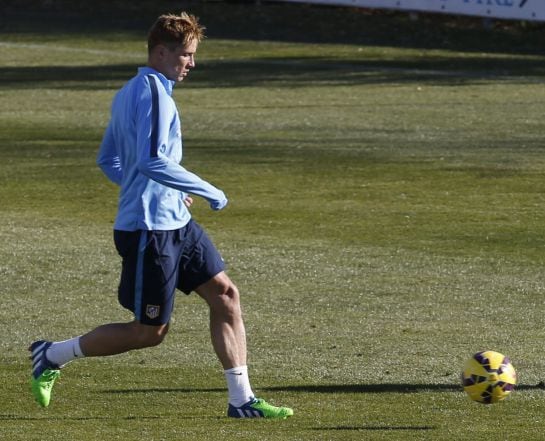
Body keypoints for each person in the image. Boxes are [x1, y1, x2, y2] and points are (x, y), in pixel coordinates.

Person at [29, 12, 293, 420]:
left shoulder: (128, 92)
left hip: (176, 224)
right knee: (148, 333)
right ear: (161, 52)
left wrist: (159, 189)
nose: (192, 63)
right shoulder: (151, 93)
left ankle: (241, 400)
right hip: (150, 231)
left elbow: (109, 160)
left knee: (226, 296)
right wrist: (205, 190)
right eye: (185, 55)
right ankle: (51, 355)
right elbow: (152, 160)